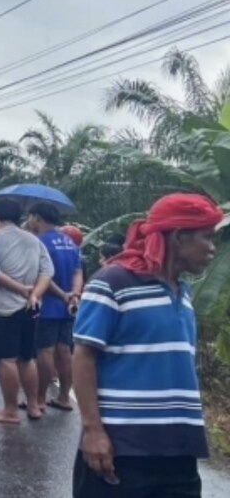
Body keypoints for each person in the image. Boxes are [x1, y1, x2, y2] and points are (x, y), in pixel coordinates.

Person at [73, 194, 224, 497]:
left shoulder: (184, 292)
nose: (212, 249)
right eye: (207, 238)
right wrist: (93, 431)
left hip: (179, 450)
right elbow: (83, 355)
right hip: (121, 449)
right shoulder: (113, 281)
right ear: (179, 237)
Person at [0, 197, 55, 424]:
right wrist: (34, 294)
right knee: (26, 358)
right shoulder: (34, 241)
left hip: (3, 308)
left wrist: (21, 289)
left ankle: (10, 410)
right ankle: (33, 406)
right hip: (30, 307)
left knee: (7, 359)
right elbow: (47, 272)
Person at [26, 202, 84, 414]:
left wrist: (61, 294)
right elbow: (78, 272)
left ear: (38, 218)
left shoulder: (39, 243)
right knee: (64, 351)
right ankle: (63, 397)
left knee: (46, 351)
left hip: (48, 305)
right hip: (69, 307)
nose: (30, 221)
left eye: (31, 217)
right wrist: (74, 295)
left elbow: (45, 276)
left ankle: (40, 399)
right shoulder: (70, 242)